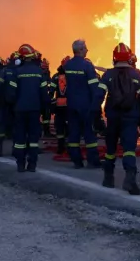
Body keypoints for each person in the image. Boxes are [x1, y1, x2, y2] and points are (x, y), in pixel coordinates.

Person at [99, 43, 140, 194]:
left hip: (113, 118)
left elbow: (98, 96)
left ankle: (108, 178)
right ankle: (130, 179)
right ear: (129, 58)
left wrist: (95, 115)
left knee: (110, 149)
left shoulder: (108, 75)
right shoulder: (137, 75)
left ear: (114, 58)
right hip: (130, 118)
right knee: (129, 149)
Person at [6, 44, 51, 172]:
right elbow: (44, 94)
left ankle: (20, 164)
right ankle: (32, 165)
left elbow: (11, 94)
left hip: (19, 111)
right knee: (33, 139)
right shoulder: (39, 72)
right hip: (34, 110)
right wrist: (45, 108)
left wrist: (12, 106)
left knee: (19, 138)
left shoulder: (17, 72)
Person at [64, 39, 103, 169]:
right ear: (80, 50)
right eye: (85, 48)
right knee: (89, 134)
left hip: (71, 105)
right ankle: (93, 161)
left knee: (73, 133)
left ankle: (77, 161)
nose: (87, 50)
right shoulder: (87, 66)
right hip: (85, 105)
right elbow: (94, 87)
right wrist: (97, 105)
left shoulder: (68, 65)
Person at [51, 56, 71, 159]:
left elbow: (51, 91)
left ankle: (60, 147)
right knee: (70, 127)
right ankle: (69, 147)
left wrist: (51, 103)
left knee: (59, 127)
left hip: (58, 106)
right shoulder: (72, 76)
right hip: (69, 105)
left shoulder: (55, 76)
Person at [41, 56, 55, 139]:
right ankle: (43, 131)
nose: (46, 69)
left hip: (46, 99)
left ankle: (46, 131)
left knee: (46, 116)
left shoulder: (47, 75)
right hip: (41, 99)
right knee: (44, 116)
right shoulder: (41, 75)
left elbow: (51, 86)